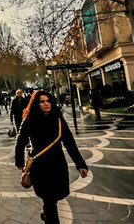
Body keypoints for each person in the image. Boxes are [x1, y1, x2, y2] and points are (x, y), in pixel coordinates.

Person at [15, 90, 88, 223]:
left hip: (57, 164)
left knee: (54, 197)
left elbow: (70, 143)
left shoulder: (58, 119)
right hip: (40, 166)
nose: (46, 104)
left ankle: (47, 211)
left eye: (48, 101)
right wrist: (19, 162)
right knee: (48, 198)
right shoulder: (30, 120)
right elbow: (20, 142)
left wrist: (80, 164)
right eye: (42, 101)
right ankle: (50, 215)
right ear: (37, 104)